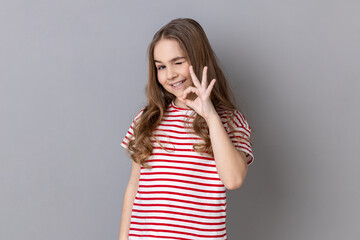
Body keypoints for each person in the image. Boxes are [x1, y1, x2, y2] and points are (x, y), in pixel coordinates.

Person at [118, 18, 254, 240]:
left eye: (177, 62)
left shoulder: (230, 121)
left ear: (198, 60)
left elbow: (233, 180)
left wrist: (210, 116)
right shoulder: (146, 120)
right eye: (161, 66)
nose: (169, 74)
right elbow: (134, 185)